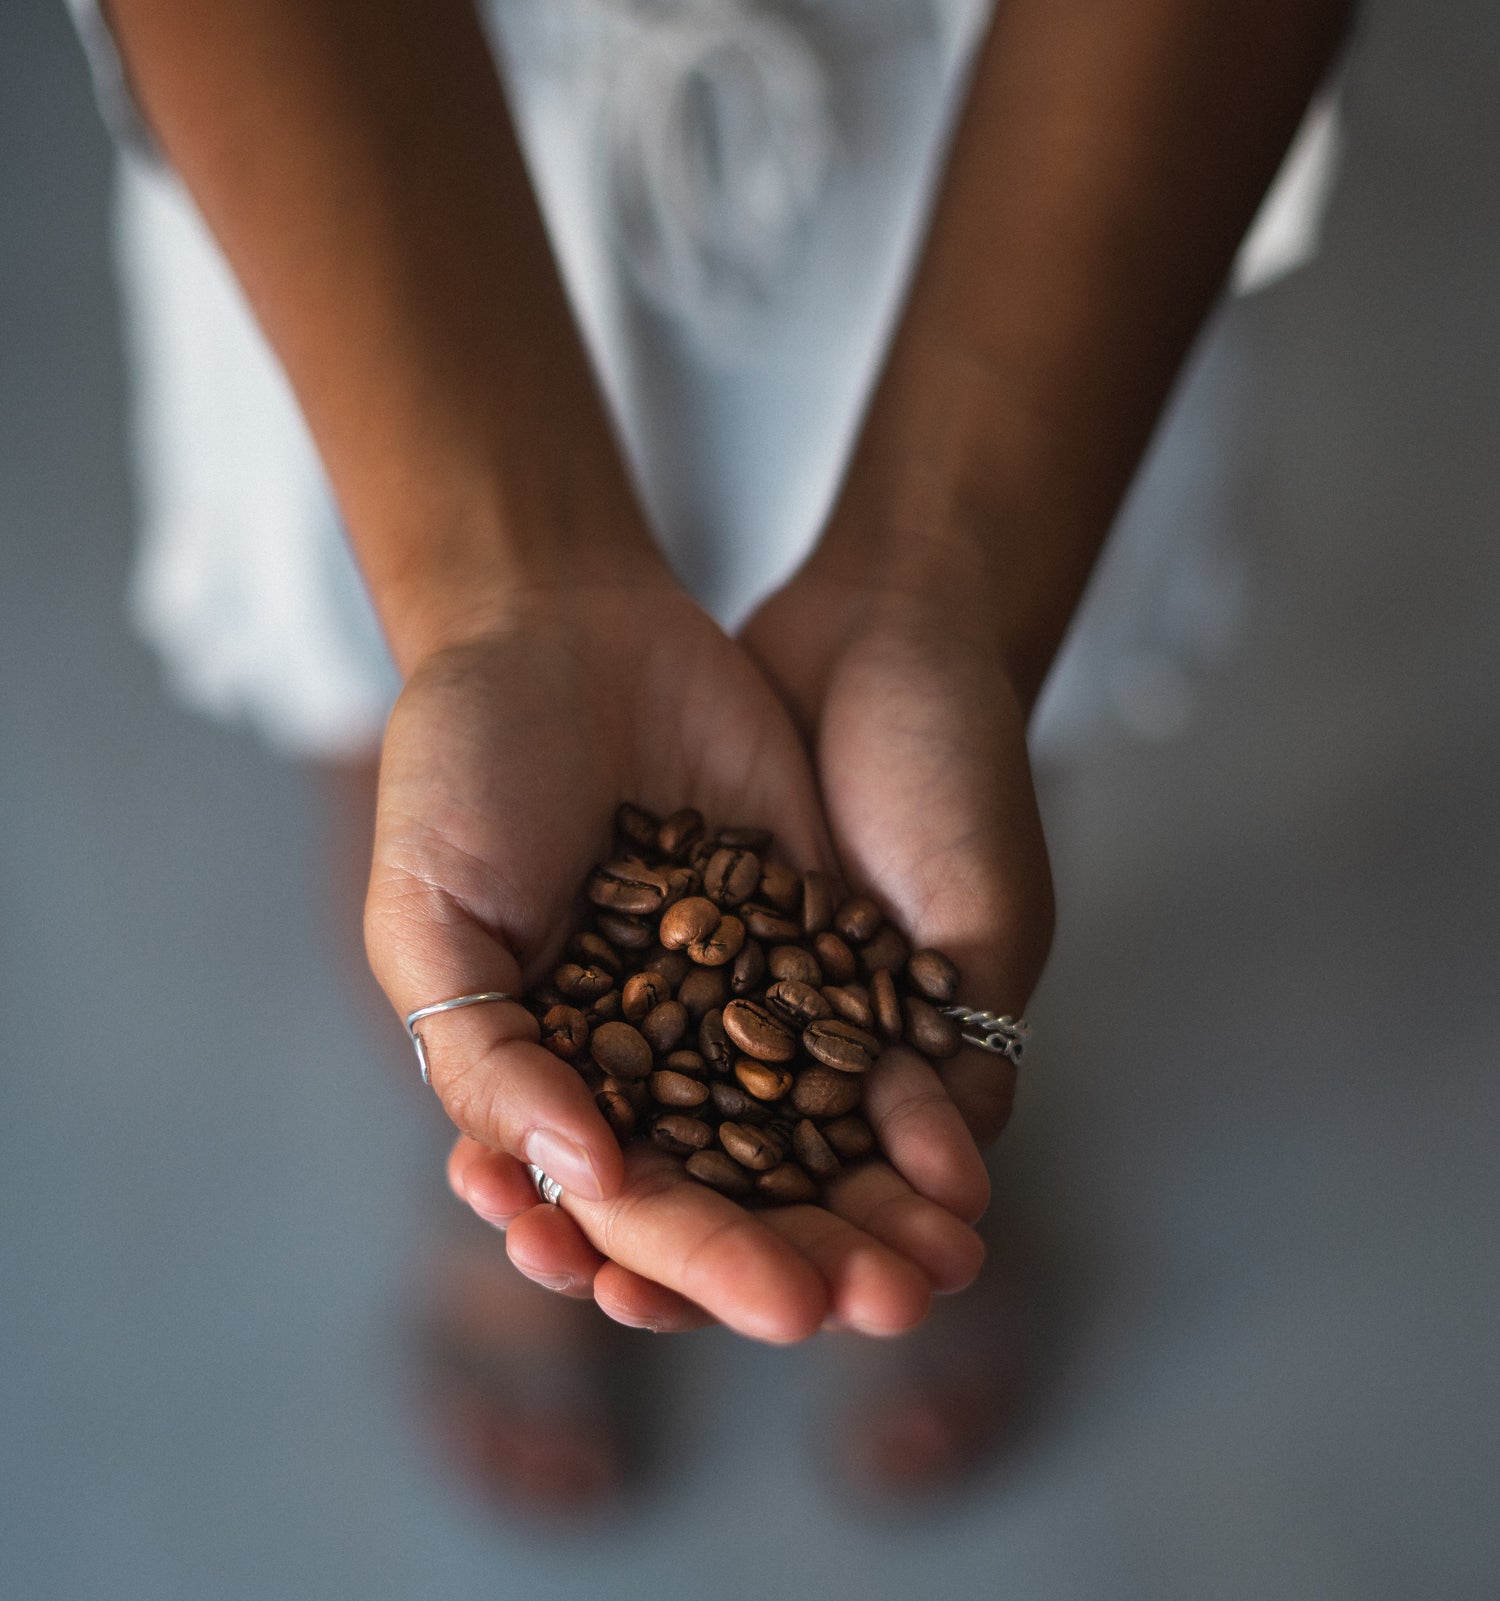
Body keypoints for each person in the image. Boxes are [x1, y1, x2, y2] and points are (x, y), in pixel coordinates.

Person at [77, 0, 1353, 1510]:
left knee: (954, 766)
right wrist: (502, 597)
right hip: (366, 167)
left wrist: (935, 588)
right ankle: (538, 1172)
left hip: (1026, 156)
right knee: (427, 791)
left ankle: (727, 1150)